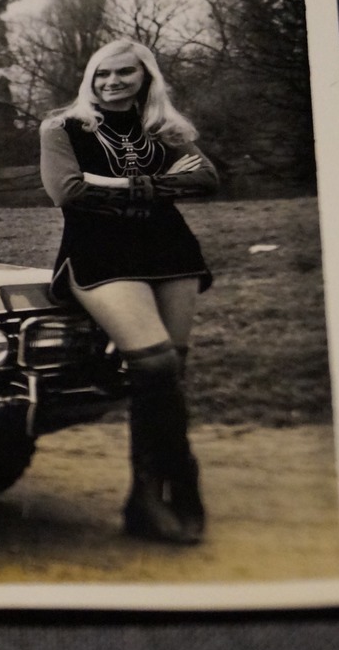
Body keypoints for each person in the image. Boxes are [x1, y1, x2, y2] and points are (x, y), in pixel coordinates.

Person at [39, 39, 219, 544]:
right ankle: (182, 477)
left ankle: (146, 496)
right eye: (102, 74)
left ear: (145, 78)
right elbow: (68, 191)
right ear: (90, 79)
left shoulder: (165, 128)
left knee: (169, 372)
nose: (111, 82)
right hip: (99, 253)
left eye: (123, 74)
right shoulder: (62, 128)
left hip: (170, 250)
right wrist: (156, 182)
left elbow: (207, 179)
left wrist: (123, 184)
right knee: (155, 362)